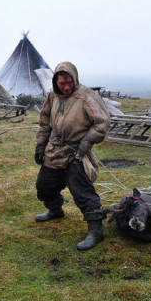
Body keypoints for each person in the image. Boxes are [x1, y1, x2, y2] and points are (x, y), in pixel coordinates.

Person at [34, 61, 111, 251]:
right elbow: (44, 123)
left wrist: (87, 142)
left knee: (82, 192)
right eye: (62, 83)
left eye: (69, 82)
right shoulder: (52, 97)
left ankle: (96, 231)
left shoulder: (87, 96)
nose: (66, 86)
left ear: (75, 78)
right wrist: (40, 145)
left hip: (77, 153)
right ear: (55, 82)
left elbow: (102, 122)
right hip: (54, 151)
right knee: (44, 187)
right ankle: (55, 210)